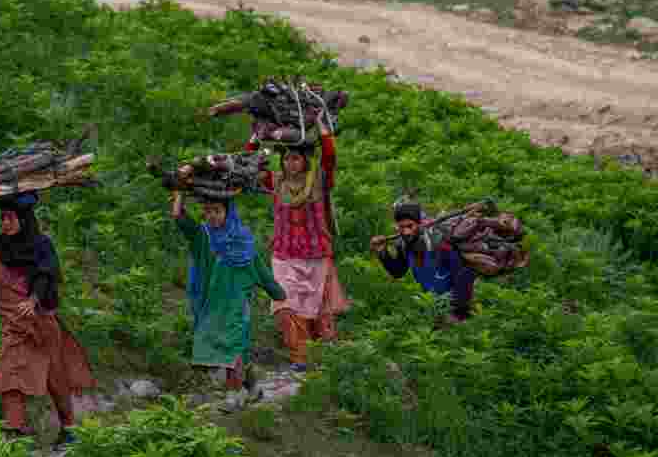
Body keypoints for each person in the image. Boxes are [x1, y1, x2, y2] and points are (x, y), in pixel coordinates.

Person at [0, 191, 96, 448]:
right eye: (3, 219)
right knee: (10, 372)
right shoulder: (2, 245)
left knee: (55, 375)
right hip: (14, 326)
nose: (5, 223)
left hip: (41, 323)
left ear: (24, 219)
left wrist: (33, 301)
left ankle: (69, 429)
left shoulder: (40, 244)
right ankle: (15, 431)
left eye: (10, 218)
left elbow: (47, 274)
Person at [245, 112, 351, 373]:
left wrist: (321, 128)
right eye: (287, 158)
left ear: (305, 161)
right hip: (285, 253)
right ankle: (299, 357)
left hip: (316, 254)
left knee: (317, 308)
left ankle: (322, 357)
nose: (291, 163)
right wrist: (255, 138)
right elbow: (248, 164)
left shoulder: (318, 181)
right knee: (285, 304)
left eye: (296, 158)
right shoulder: (276, 181)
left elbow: (330, 159)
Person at [170, 186, 287, 412]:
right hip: (212, 306)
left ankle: (233, 396)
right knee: (236, 351)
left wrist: (279, 295)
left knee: (231, 349)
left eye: (216, 210)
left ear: (228, 211)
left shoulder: (242, 242)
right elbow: (180, 219)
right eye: (207, 211)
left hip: (236, 306)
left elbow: (260, 271)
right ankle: (252, 389)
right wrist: (179, 192)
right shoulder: (203, 237)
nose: (212, 216)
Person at [369, 201, 477, 326]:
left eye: (410, 226)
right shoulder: (404, 245)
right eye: (401, 227)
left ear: (420, 225)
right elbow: (398, 272)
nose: (406, 232)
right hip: (434, 307)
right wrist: (382, 252)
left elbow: (464, 276)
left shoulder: (440, 245)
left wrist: (457, 313)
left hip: (458, 309)